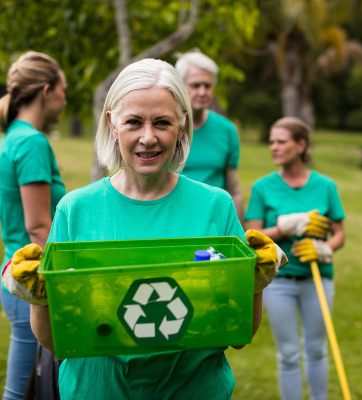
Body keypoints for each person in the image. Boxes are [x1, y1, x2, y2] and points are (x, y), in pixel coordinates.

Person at [4, 58, 284, 399]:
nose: (147, 138)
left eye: (162, 122)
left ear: (182, 125)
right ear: (112, 123)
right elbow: (58, 341)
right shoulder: (75, 210)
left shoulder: (216, 206)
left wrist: (254, 283)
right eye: (134, 122)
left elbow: (239, 335)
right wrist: (39, 297)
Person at [245, 116, 346, 400]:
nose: (274, 147)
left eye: (281, 141)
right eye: (271, 142)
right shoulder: (263, 187)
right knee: (288, 354)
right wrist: (284, 227)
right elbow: (251, 236)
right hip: (279, 280)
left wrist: (326, 249)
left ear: (301, 145)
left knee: (316, 349)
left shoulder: (326, 186)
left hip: (318, 279)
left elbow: (340, 234)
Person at [0, 51, 66, 400]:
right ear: (45, 90)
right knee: (22, 391)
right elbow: (39, 226)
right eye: (62, 91)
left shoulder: (13, 137)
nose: (64, 100)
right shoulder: (31, 142)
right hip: (30, 280)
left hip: (15, 271)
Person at [174, 51, 244, 221]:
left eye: (208, 85)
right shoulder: (165, 127)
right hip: (174, 217)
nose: (203, 92)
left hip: (214, 219)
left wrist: (239, 236)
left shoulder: (226, 129)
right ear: (180, 86)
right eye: (195, 85)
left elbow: (234, 190)